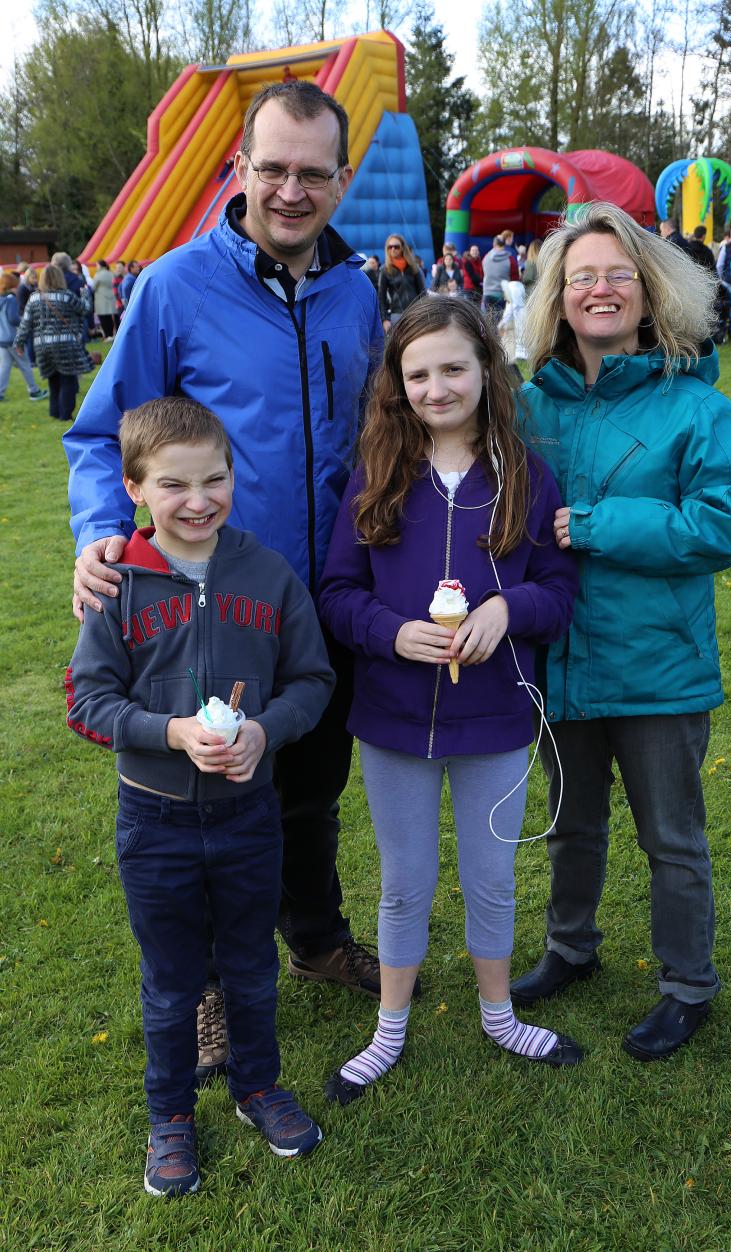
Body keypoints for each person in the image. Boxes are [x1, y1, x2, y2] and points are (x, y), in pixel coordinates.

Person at [64, 79, 386, 1087]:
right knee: (208, 794)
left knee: (309, 781)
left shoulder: (356, 290)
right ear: (237, 171)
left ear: (340, 179)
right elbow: (96, 437)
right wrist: (99, 533)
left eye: (312, 173)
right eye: (272, 168)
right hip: (206, 604)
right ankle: (204, 985)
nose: (291, 190)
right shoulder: (171, 287)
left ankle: (315, 933)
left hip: (322, 600)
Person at [510, 202, 731, 1061]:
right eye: (580, 275)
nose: (600, 289)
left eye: (618, 273)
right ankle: (569, 949)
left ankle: (687, 983)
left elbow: (723, 523)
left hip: (658, 662)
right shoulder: (527, 406)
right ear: (557, 295)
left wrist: (595, 524)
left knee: (670, 836)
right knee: (569, 822)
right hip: (561, 658)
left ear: (652, 291)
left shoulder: (693, 408)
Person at [66, 397, 335, 1194]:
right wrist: (170, 732)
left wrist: (267, 732)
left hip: (249, 815)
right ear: (135, 488)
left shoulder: (267, 572)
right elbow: (87, 703)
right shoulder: (118, 582)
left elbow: (313, 679)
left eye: (215, 479)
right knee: (174, 979)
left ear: (233, 475)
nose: (198, 501)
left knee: (252, 966)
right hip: (155, 821)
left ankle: (257, 1086)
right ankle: (171, 1114)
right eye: (174, 485)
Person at [317, 297, 582, 1105]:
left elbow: (559, 589)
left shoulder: (526, 477)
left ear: (485, 371)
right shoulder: (377, 477)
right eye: (418, 373)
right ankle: (389, 1027)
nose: (437, 387)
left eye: (453, 368)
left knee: (492, 876)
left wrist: (510, 611)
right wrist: (390, 633)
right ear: (397, 384)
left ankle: (498, 1013)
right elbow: (336, 591)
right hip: (393, 721)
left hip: (497, 718)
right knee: (403, 884)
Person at [14, 264, 93, 421]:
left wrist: (19, 342)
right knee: (68, 379)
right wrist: (85, 293)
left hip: (42, 346)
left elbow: (26, 322)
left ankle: (55, 412)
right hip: (66, 344)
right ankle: (65, 414)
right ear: (60, 278)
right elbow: (85, 309)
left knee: (53, 379)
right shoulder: (67, 296)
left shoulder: (34, 297)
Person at [0, 272, 48, 402]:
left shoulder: (1, 299)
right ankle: (34, 391)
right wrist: (25, 320)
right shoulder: (10, 299)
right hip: (13, 339)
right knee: (25, 364)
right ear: (12, 285)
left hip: (2, 339)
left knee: (4, 367)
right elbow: (13, 319)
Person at [378, 234, 425, 330]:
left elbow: (422, 292)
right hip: (396, 314)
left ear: (403, 247)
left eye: (396, 246)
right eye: (390, 247)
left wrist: (424, 311)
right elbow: (381, 297)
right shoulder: (385, 269)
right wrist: (385, 319)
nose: (393, 249)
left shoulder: (414, 267)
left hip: (415, 312)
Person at [482, 236, 519, 321]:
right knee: (500, 321)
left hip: (487, 292)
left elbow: (482, 272)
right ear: (504, 244)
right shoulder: (510, 259)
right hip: (502, 294)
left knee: (487, 320)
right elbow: (515, 278)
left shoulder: (486, 257)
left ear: (494, 244)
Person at [92, 259, 117, 338]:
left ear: (100, 266)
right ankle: (111, 334)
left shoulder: (98, 275)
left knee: (103, 318)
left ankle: (107, 335)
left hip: (101, 299)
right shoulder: (111, 273)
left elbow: (93, 287)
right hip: (111, 297)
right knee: (110, 317)